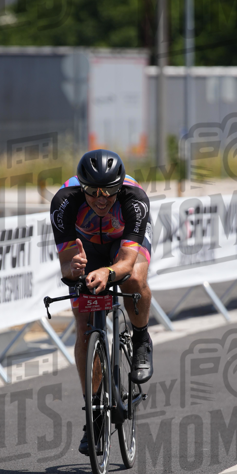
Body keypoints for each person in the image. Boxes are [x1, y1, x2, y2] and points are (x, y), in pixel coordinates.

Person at [50, 148, 154, 455]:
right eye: (93, 191)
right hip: (87, 247)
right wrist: (74, 269)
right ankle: (94, 414)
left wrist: (108, 274)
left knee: (134, 278)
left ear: (120, 186)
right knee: (84, 330)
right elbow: (67, 264)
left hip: (122, 248)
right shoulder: (64, 202)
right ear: (81, 186)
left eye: (109, 191)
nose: (101, 198)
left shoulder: (134, 201)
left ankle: (141, 338)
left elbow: (125, 261)